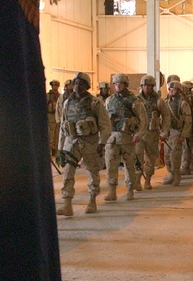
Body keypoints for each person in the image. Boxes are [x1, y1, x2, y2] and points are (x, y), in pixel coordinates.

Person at [57, 72, 111, 215]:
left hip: (90, 143)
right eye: (75, 83)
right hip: (71, 142)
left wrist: (102, 142)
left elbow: (105, 125)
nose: (77, 86)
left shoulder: (95, 103)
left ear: (87, 86)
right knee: (68, 171)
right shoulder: (67, 103)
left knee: (92, 171)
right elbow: (63, 126)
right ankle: (67, 204)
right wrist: (60, 148)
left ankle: (92, 201)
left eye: (81, 83)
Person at [104, 73, 147, 201]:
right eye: (115, 84)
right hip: (112, 138)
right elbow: (104, 120)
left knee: (129, 165)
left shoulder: (134, 101)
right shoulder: (109, 100)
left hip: (127, 137)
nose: (117, 86)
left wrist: (139, 134)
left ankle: (129, 189)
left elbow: (143, 119)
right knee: (111, 164)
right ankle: (112, 191)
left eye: (120, 84)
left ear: (126, 85)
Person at [134, 75, 171, 190]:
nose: (147, 88)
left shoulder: (159, 101)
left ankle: (148, 180)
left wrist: (164, 131)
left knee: (151, 159)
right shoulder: (136, 100)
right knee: (137, 158)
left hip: (152, 134)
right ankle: (137, 181)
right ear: (141, 86)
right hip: (139, 134)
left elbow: (166, 117)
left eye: (150, 86)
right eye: (145, 86)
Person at [162, 77, 192, 186]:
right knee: (166, 156)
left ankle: (177, 176)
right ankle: (171, 174)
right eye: (170, 90)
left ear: (179, 91)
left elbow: (188, 121)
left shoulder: (183, 103)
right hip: (167, 132)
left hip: (177, 132)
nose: (171, 92)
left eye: (173, 90)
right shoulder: (166, 102)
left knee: (175, 156)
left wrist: (183, 135)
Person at [47, 79, 61, 158]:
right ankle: (49, 152)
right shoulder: (48, 95)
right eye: (54, 85)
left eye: (56, 85)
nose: (55, 87)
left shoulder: (60, 96)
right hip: (50, 116)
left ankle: (56, 152)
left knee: (57, 135)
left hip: (57, 116)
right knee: (51, 135)